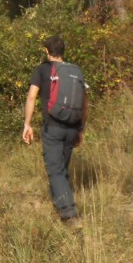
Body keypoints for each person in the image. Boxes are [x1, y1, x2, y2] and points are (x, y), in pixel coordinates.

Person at [22, 35, 88, 229]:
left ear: (46, 51)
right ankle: (59, 206)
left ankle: (70, 214)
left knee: (55, 170)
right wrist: (81, 129)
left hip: (53, 127)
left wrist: (27, 124)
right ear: (63, 51)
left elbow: (32, 97)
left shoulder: (42, 70)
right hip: (72, 127)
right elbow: (84, 103)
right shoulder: (75, 71)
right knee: (62, 169)